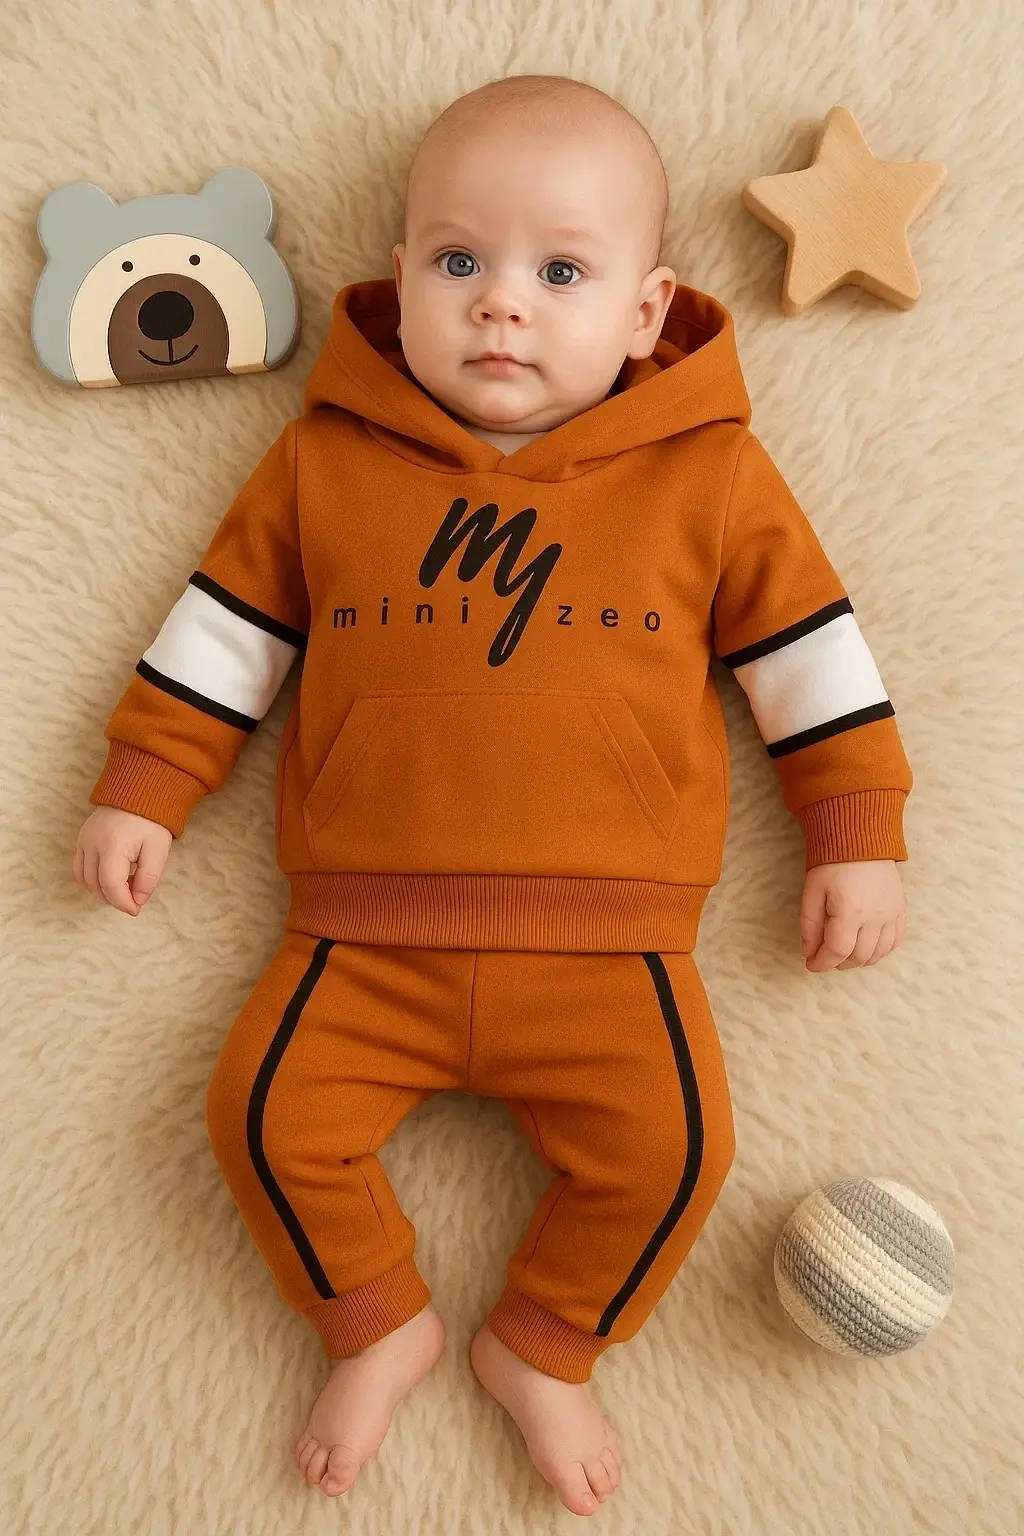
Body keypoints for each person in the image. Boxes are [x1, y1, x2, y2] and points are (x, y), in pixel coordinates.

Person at [72, 74, 912, 1518]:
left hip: (613, 947)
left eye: (561, 273)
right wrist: (148, 785)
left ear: (646, 312)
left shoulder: (710, 474)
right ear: (400, 280)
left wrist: (855, 832)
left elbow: (809, 659)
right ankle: (376, 1319)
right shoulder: (326, 459)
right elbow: (224, 635)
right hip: (361, 934)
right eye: (459, 261)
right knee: (259, 1120)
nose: (502, 304)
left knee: (677, 1157)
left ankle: (545, 1343)